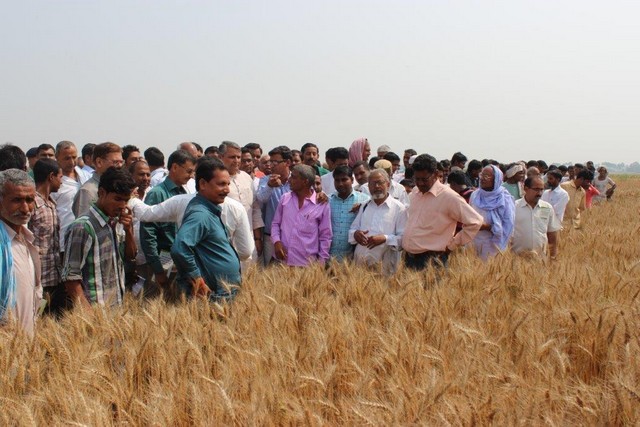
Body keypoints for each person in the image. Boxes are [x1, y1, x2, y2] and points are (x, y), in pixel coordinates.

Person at [62, 167, 137, 308]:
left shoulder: (115, 223)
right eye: (118, 199)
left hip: (115, 308)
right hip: (95, 311)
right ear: (102, 192)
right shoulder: (83, 227)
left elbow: (130, 256)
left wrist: (128, 231)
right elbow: (71, 276)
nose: (122, 206)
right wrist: (88, 314)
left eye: (126, 200)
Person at [171, 158, 242, 302]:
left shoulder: (209, 210)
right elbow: (180, 248)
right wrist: (197, 280)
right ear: (203, 184)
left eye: (228, 184)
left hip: (223, 293)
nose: (227, 190)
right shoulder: (200, 215)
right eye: (221, 184)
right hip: (214, 296)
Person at [402, 154, 483, 270]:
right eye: (417, 179)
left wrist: (452, 246)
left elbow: (475, 221)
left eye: (424, 179)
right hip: (409, 259)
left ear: (435, 174)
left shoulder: (449, 197)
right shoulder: (415, 192)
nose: (420, 183)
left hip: (432, 261)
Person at [140, 149, 196, 297]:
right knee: (160, 297)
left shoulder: (184, 193)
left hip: (180, 259)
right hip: (164, 257)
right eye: (189, 171)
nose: (191, 176)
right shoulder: (157, 194)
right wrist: (158, 269)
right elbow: (148, 233)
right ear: (175, 167)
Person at [0, 169, 41, 336]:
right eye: (17, 200)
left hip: (25, 345)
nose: (25, 208)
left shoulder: (26, 239)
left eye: (30, 200)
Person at [271, 164, 332, 267]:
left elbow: (325, 236)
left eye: (294, 177)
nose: (289, 180)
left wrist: (322, 262)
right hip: (282, 262)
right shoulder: (285, 199)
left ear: (305, 181)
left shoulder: (321, 204)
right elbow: (275, 224)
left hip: (306, 265)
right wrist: (276, 242)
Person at [349, 169, 406, 274]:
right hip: (361, 268)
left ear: (388, 184)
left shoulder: (399, 208)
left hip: (385, 268)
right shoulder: (364, 206)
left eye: (380, 182)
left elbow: (403, 239)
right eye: (373, 184)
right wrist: (356, 234)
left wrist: (385, 238)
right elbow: (352, 229)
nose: (376, 187)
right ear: (368, 187)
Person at [28, 159, 65, 315]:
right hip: (38, 280)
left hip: (54, 278)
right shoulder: (31, 204)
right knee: (39, 319)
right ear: (51, 176)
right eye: (60, 177)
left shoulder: (51, 203)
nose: (62, 182)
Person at [218, 141, 264, 265]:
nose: (237, 161)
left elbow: (254, 208)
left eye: (238, 157)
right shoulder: (214, 179)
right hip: (225, 241)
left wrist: (258, 238)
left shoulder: (246, 177)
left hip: (248, 239)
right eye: (232, 157)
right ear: (220, 157)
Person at [469, 165, 516, 260]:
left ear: (496, 179)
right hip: (474, 244)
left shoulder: (504, 198)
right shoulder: (475, 195)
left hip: (494, 247)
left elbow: (508, 225)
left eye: (486, 176)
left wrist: (488, 227)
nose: (482, 179)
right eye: (482, 175)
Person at [256, 146, 293, 265]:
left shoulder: (298, 180)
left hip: (294, 236)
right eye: (270, 162)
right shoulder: (265, 180)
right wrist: (270, 186)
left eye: (275, 162)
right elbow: (261, 198)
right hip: (270, 237)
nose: (271, 165)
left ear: (287, 162)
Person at [512, 177, 560, 259]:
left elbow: (552, 234)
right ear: (526, 189)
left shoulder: (547, 207)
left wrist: (553, 256)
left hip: (540, 259)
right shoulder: (514, 207)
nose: (540, 193)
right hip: (517, 258)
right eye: (536, 189)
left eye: (542, 190)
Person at [329, 165, 370, 261]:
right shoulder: (327, 200)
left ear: (352, 180)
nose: (340, 184)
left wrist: (362, 206)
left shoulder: (364, 200)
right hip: (329, 256)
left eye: (344, 180)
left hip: (353, 257)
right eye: (337, 180)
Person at [72, 142, 124, 217]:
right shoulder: (87, 191)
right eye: (115, 162)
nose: (119, 166)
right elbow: (83, 225)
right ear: (99, 162)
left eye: (121, 162)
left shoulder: (118, 187)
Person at [51, 141, 86, 249]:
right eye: (67, 158)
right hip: (64, 238)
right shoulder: (54, 181)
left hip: (85, 234)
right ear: (57, 158)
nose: (72, 162)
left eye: (74, 157)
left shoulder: (85, 176)